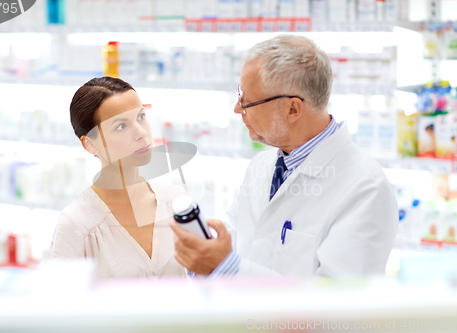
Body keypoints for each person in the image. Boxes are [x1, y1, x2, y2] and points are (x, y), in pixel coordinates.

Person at [171, 35, 398, 279]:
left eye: (247, 100)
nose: (238, 109)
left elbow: (336, 305)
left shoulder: (365, 188)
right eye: (239, 94)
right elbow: (233, 240)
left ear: (292, 109)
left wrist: (226, 269)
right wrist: (204, 256)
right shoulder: (263, 166)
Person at [51, 76, 186, 279]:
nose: (141, 133)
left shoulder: (176, 200)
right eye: (121, 126)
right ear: (90, 144)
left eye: (141, 117)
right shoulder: (77, 225)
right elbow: (63, 306)